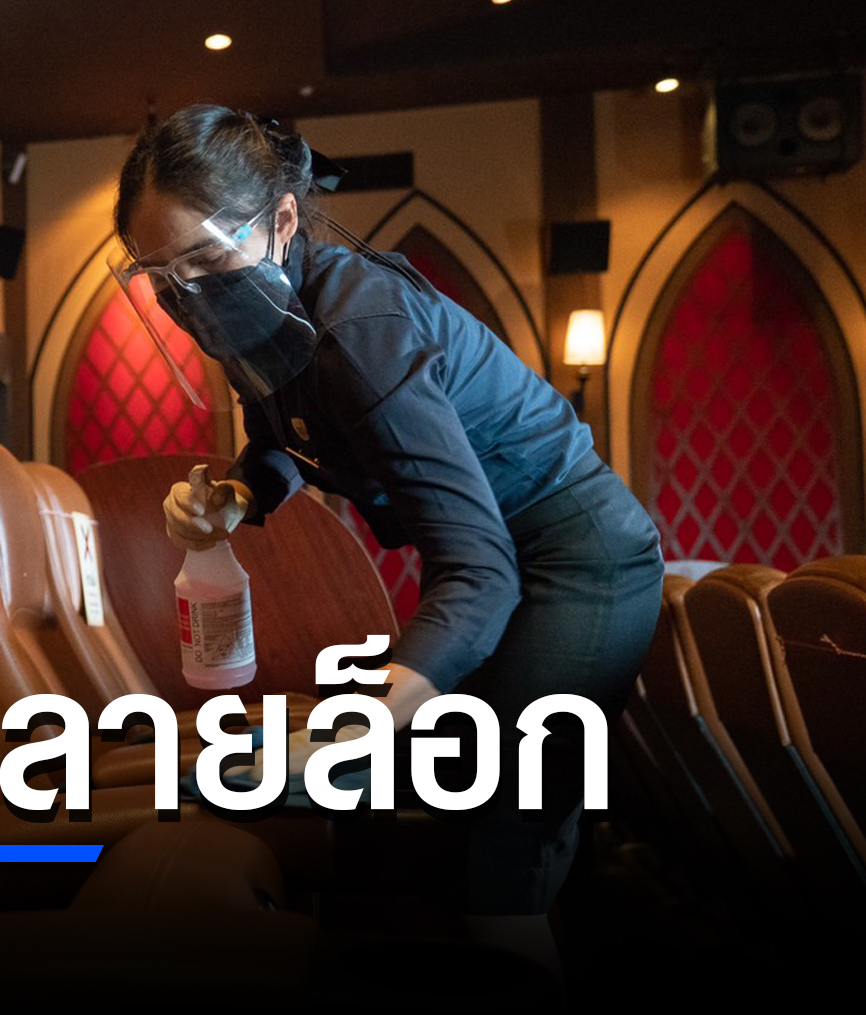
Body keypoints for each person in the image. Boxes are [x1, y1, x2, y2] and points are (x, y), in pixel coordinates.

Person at [109, 104, 664, 970]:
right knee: (454, 796)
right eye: (162, 277)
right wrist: (240, 493)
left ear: (281, 221)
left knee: (506, 827)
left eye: (207, 261)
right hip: (496, 561)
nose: (188, 295)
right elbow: (290, 431)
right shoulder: (264, 310)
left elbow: (478, 570)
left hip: (579, 560)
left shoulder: (360, 329)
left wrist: (366, 724)